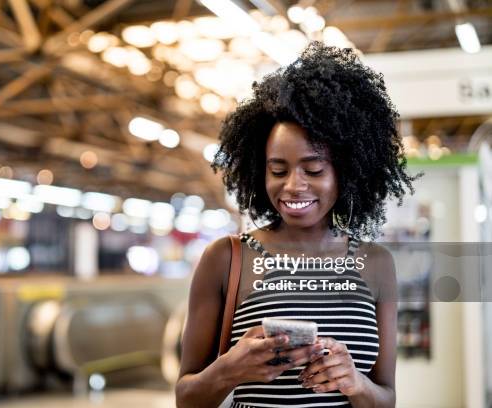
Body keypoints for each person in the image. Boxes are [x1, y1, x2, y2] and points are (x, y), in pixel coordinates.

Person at [175, 42, 418, 408]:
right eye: (278, 170)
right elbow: (186, 398)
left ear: (346, 172)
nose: (293, 186)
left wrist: (355, 383)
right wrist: (230, 370)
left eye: (314, 169)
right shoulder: (226, 258)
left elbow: (386, 399)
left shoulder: (377, 264)